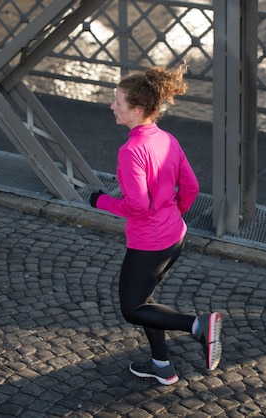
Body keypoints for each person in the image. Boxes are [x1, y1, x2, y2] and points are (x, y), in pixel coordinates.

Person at [89, 64, 222, 385]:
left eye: (118, 103)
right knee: (145, 301)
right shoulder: (166, 139)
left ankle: (198, 325)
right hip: (174, 235)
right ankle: (161, 365)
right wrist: (172, 214)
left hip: (149, 242)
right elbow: (190, 187)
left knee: (132, 308)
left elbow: (137, 205)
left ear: (136, 110)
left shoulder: (131, 150)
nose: (112, 107)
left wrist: (100, 201)